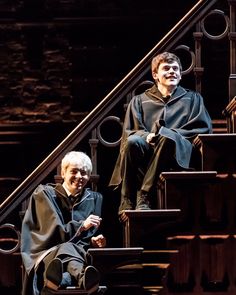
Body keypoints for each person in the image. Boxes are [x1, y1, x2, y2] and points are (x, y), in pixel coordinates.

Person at [109, 51, 212, 220]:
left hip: (178, 152)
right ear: (155, 74)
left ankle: (144, 195)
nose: (172, 72)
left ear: (180, 75)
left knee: (167, 136)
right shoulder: (140, 100)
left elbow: (202, 128)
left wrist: (167, 133)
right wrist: (147, 136)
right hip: (148, 149)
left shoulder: (193, 98)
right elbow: (130, 131)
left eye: (175, 69)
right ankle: (126, 198)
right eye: (166, 68)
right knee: (133, 141)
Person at [21, 151, 106, 295]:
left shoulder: (94, 199)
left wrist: (94, 240)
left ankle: (54, 283)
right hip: (48, 253)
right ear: (63, 172)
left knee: (66, 264)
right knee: (67, 248)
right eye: (74, 171)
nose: (79, 177)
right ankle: (84, 279)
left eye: (84, 173)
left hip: (77, 257)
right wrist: (81, 226)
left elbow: (88, 237)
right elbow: (52, 232)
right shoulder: (45, 193)